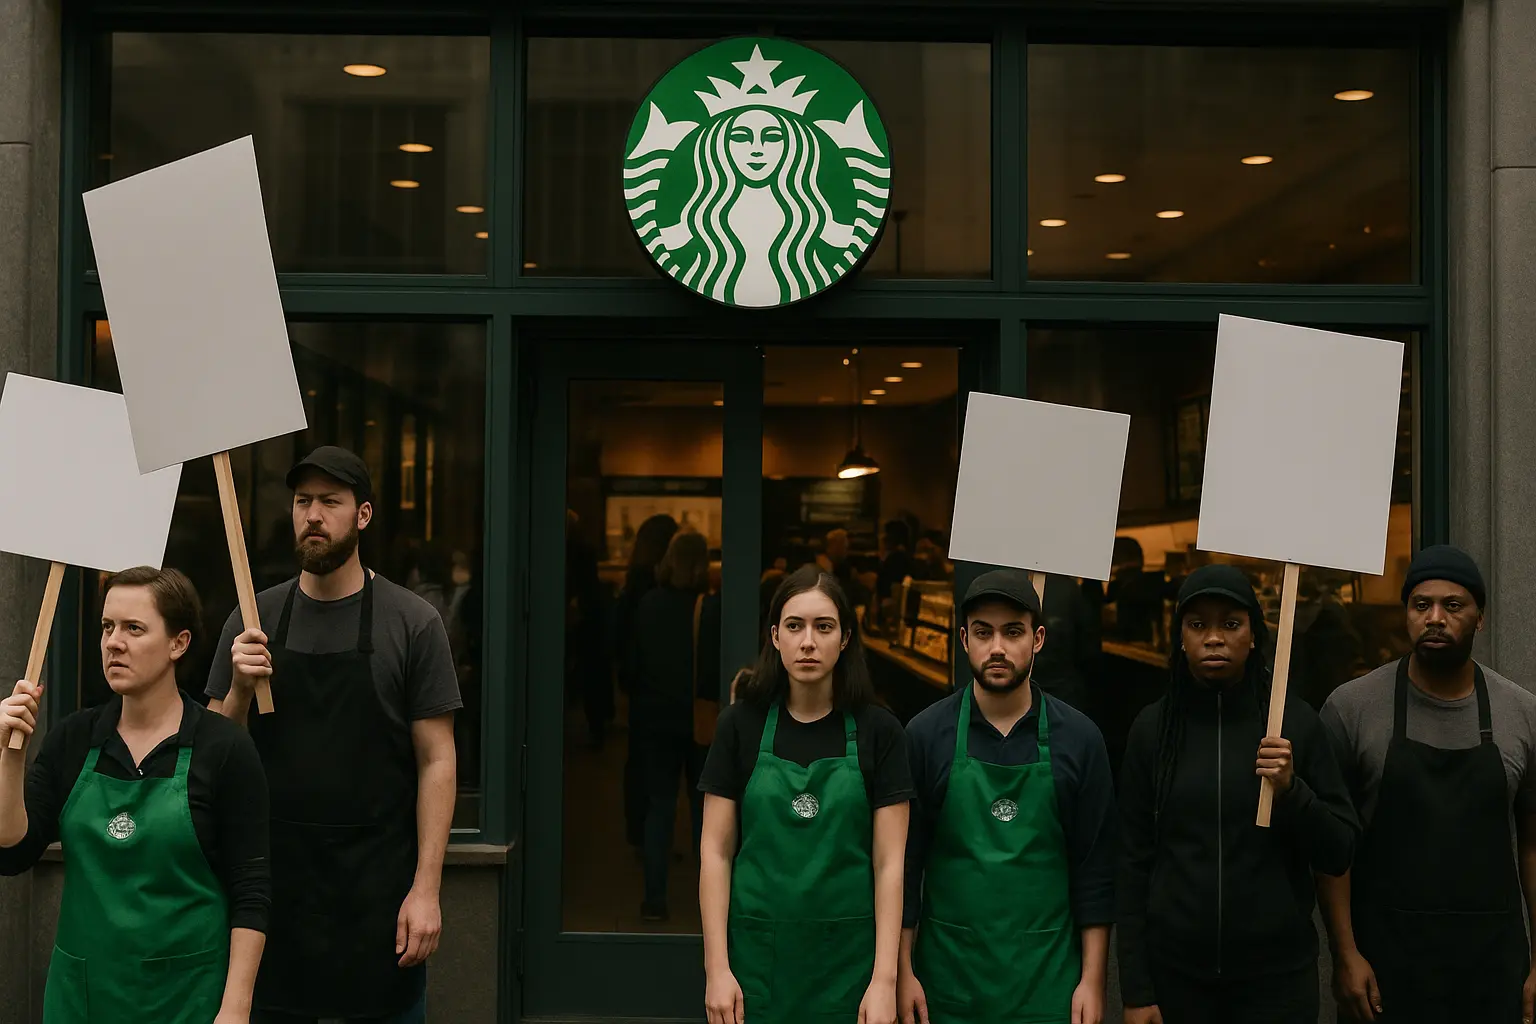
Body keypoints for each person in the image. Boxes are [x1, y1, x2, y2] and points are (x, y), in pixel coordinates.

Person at [207, 446, 462, 1024]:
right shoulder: (251, 620)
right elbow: (214, 758)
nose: (313, 515)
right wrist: (241, 690)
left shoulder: (412, 622)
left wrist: (427, 890)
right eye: (302, 502)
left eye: (329, 501)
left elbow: (437, 761)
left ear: (363, 515)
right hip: (273, 896)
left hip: (376, 894)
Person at [0, 567, 269, 1024]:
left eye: (134, 628)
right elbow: (12, 852)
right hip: (82, 1000)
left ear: (178, 644)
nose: (113, 643)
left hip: (188, 1000)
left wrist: (236, 1006)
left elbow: (252, 890)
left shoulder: (223, 747)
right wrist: (9, 755)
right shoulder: (73, 739)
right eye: (107, 627)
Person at [1117, 564, 1358, 1024]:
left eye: (1230, 623)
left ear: (1253, 636)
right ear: (1180, 638)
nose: (1213, 638)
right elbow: (1131, 863)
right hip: (1177, 982)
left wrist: (1293, 791)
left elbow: (1338, 851)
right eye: (1198, 625)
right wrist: (1137, 989)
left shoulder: (1295, 725)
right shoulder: (1153, 731)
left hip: (1277, 982)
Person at [1319, 545, 1536, 1024]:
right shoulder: (1350, 709)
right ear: (1407, 615)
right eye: (1421, 605)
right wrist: (1345, 954)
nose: (1435, 618)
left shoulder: (1523, 713)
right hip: (1387, 967)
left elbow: (1533, 849)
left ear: (1480, 618)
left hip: (1492, 968)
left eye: (1453, 606)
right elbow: (1333, 849)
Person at [900, 569, 1117, 1024]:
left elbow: (1095, 870)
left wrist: (1093, 982)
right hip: (947, 982)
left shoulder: (1080, 738)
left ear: (1038, 639)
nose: (997, 648)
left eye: (1012, 632)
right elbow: (904, 866)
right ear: (964, 639)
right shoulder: (924, 735)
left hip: (1049, 982)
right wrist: (903, 972)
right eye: (983, 632)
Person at [699, 566, 911, 1024]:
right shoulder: (740, 725)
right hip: (755, 961)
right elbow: (715, 852)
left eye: (824, 626)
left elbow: (890, 863)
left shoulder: (881, 731)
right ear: (775, 636)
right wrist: (716, 968)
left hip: (851, 965)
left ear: (846, 637)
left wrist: (885, 980)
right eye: (795, 626)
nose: (808, 641)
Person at [628, 530, 720, 922]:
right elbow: (717, 670)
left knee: (659, 809)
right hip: (699, 722)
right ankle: (710, 905)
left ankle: (654, 900)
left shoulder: (648, 603)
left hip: (655, 720)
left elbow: (632, 666)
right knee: (706, 813)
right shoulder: (712, 609)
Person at [615, 514, 680, 849]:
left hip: (641, 682)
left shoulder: (635, 578)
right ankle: (645, 835)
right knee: (648, 768)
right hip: (654, 681)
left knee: (639, 760)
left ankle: (639, 833)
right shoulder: (654, 585)